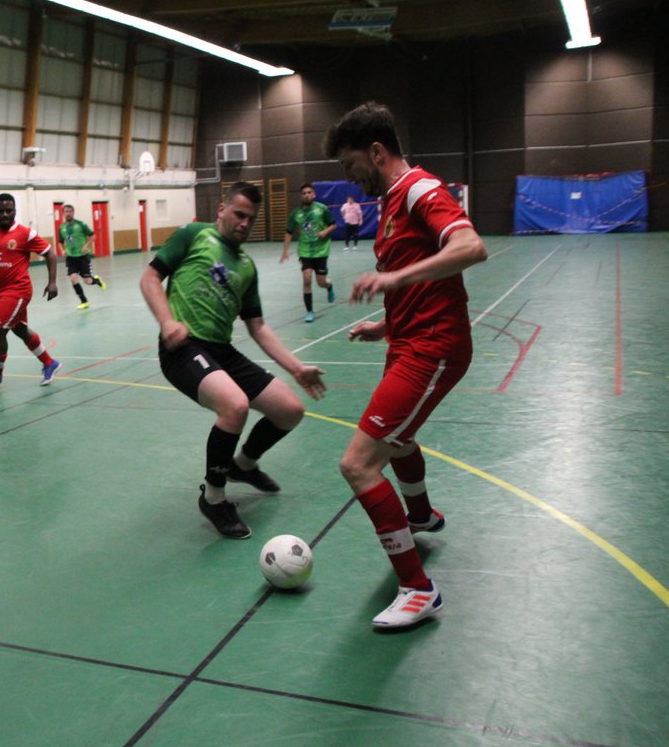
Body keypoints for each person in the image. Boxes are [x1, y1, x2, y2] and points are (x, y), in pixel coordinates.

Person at [324, 101, 487, 629]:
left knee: (359, 463)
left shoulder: (419, 189)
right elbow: (419, 283)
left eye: (351, 167)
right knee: (397, 439)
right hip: (409, 342)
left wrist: (393, 282)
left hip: (433, 349)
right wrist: (386, 325)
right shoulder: (391, 200)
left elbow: (470, 246)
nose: (350, 180)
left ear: (376, 152)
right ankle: (421, 515)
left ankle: (418, 590)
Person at [140, 182, 327, 539]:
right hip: (184, 348)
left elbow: (257, 326)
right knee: (235, 406)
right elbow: (150, 277)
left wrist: (296, 367)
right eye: (239, 214)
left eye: (251, 219)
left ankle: (243, 465)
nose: (244, 223)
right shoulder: (193, 236)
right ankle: (213, 497)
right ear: (222, 210)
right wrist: (167, 321)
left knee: (289, 410)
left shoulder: (246, 266)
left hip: (222, 351)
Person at [0, 193, 61, 390]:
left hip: (19, 290)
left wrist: (52, 282)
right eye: (1, 211)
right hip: (1, 291)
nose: (5, 214)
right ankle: (49, 363)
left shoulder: (25, 233)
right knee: (20, 330)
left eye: (9, 210)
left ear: (15, 211)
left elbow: (50, 254)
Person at [280, 182, 336, 323]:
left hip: (321, 250)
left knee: (321, 282)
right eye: (304, 193)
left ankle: (329, 286)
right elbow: (288, 232)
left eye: (309, 192)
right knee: (307, 278)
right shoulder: (296, 213)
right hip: (305, 251)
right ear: (301, 196)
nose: (306, 195)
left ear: (314, 194)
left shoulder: (322, 209)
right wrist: (285, 251)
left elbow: (333, 224)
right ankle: (310, 311)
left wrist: (324, 232)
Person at [57, 204, 106, 309]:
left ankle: (97, 280)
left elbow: (93, 235)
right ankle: (84, 302)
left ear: (73, 212)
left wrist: (86, 246)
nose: (68, 213)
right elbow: (60, 242)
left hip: (82, 256)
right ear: (63, 213)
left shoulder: (81, 224)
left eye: (70, 211)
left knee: (87, 281)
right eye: (66, 211)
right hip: (70, 257)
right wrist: (63, 250)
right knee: (73, 278)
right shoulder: (61, 228)